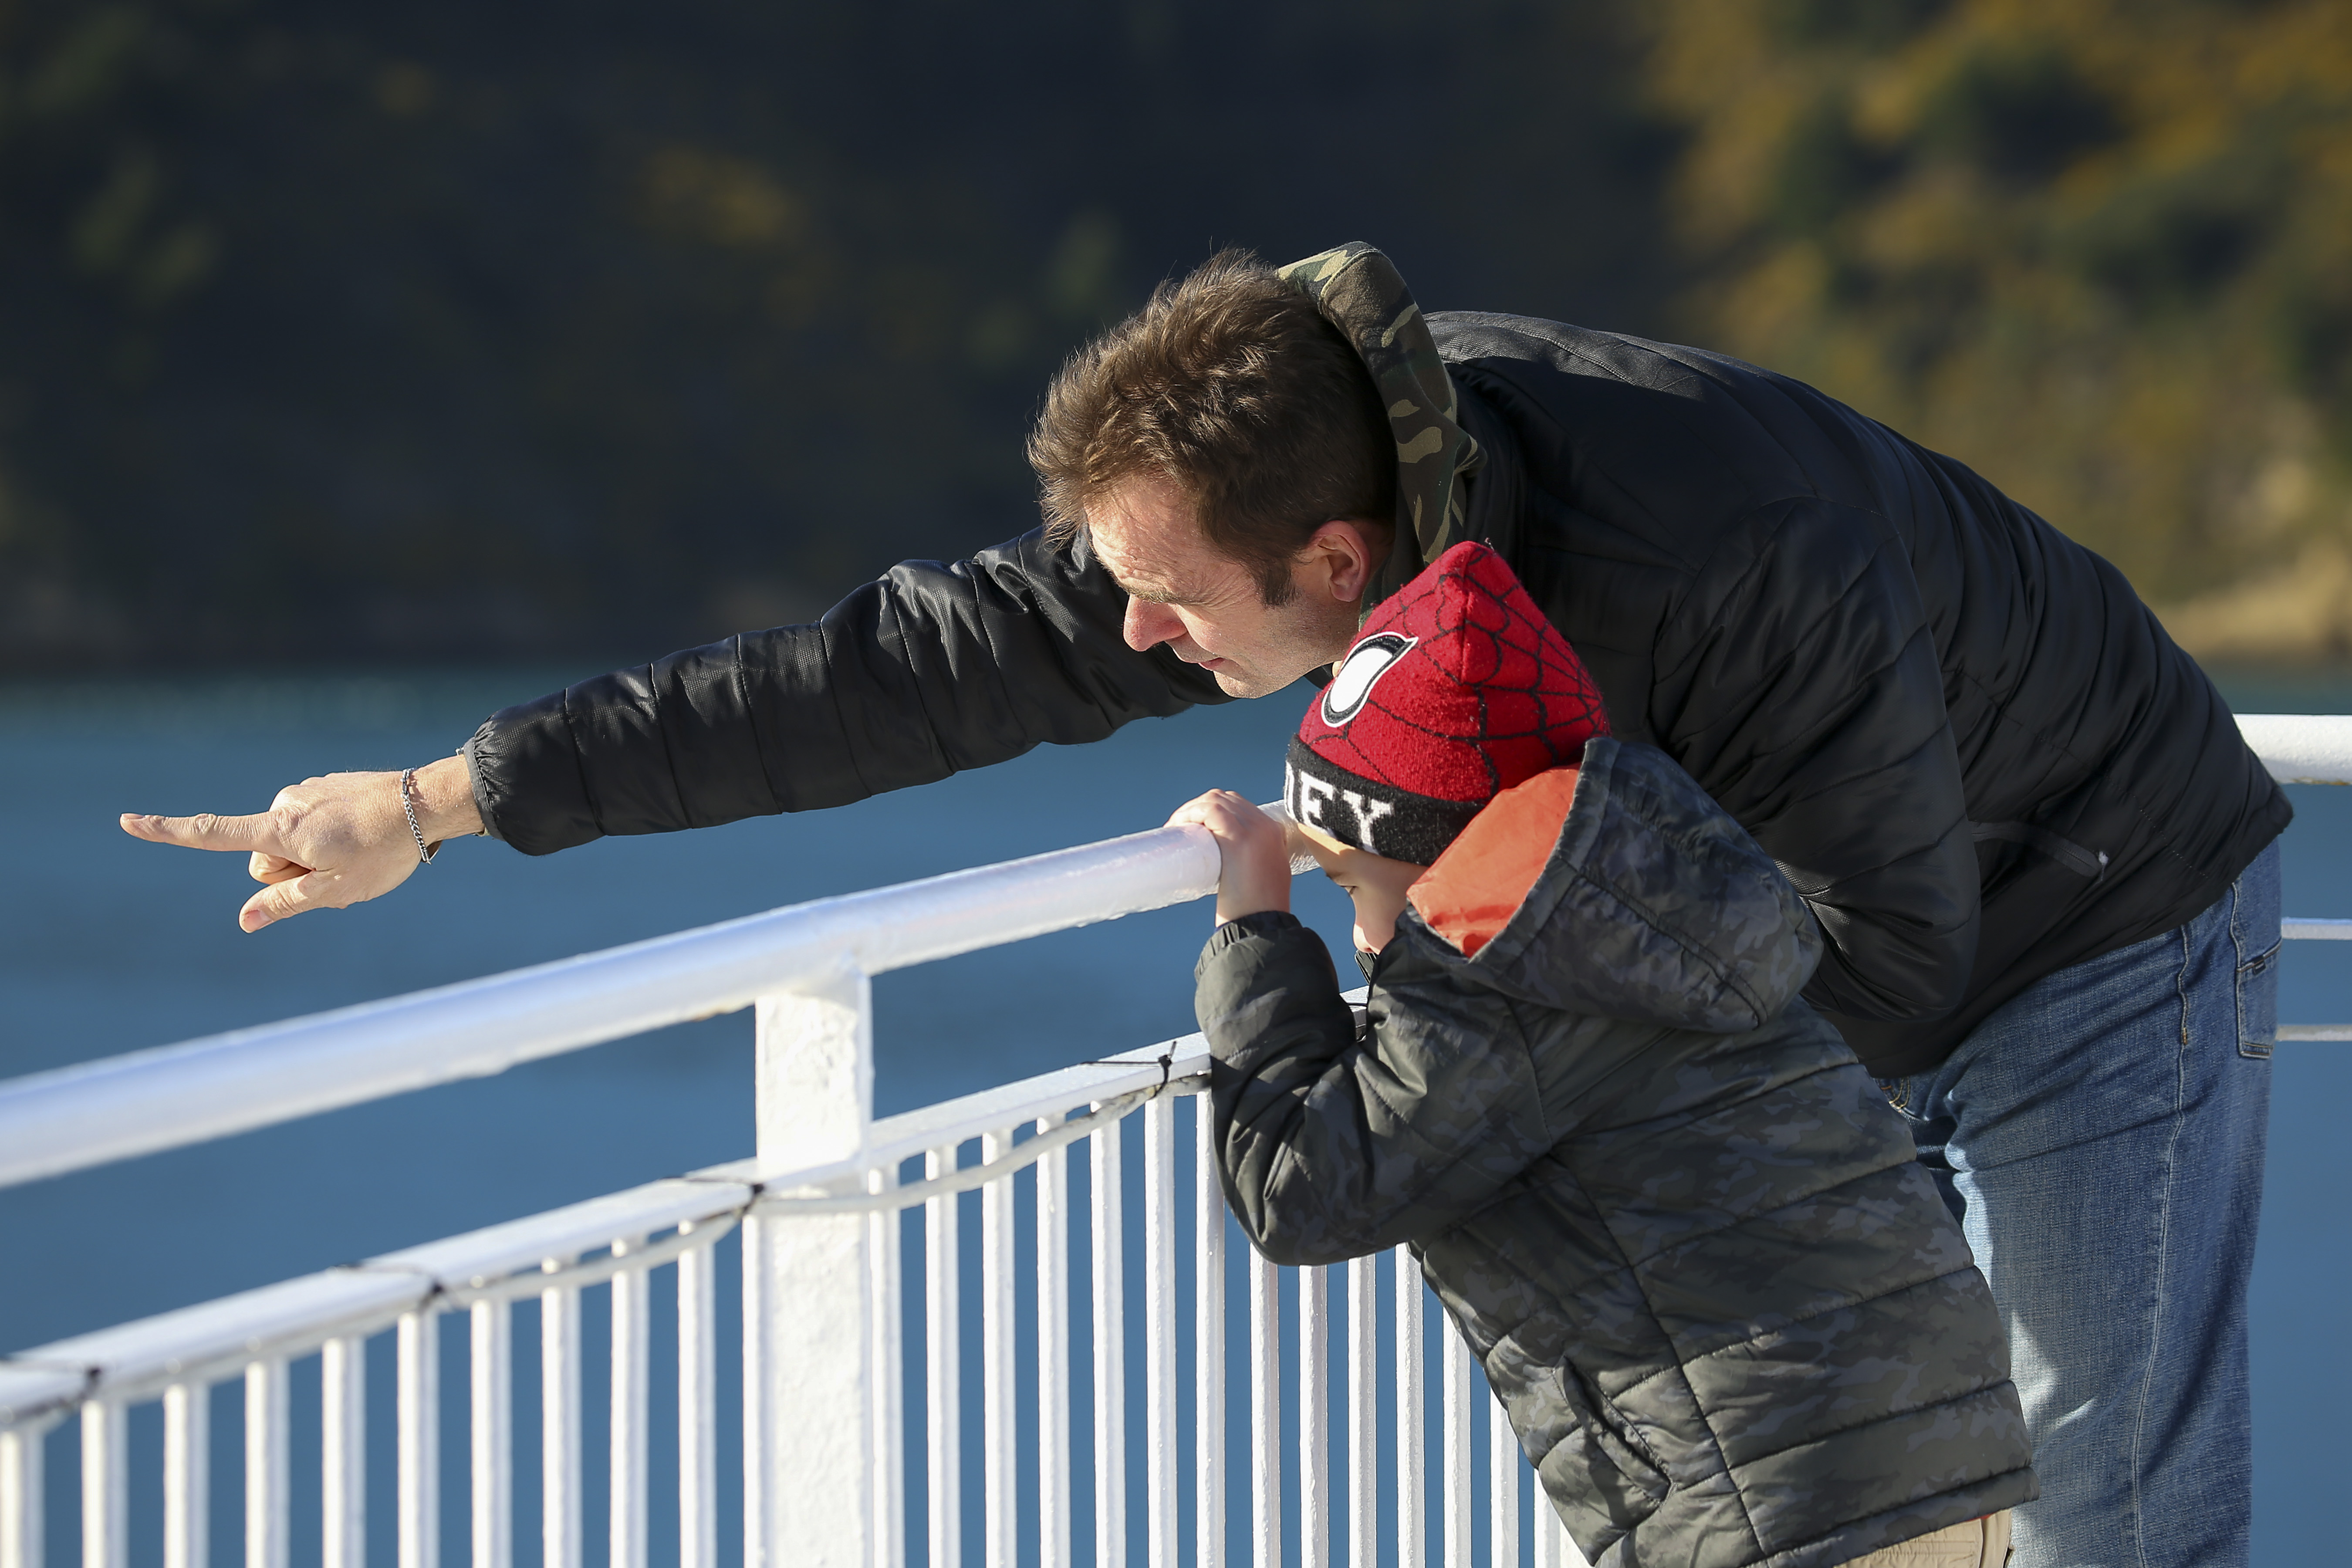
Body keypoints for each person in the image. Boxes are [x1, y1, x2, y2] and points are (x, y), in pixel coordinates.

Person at [124, 243, 2285, 1567]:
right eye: (1119, 591)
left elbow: (1886, 960)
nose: (1137, 640)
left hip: (2078, 904)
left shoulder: (1715, 560)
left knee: (2092, 1484)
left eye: (1166, 605)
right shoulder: (1252, 507)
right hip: (1746, 929)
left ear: (1337, 565)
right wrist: (448, 797)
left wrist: (1466, 1029)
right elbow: (874, 680)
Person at [1173, 539, 2030, 1568]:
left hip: (1786, 1515)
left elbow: (1302, 1189)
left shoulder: (1506, 972)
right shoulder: (1654, 893)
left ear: (1440, 858)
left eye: (1354, 886)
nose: (1361, 937)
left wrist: (1255, 933)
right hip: (1946, 1470)